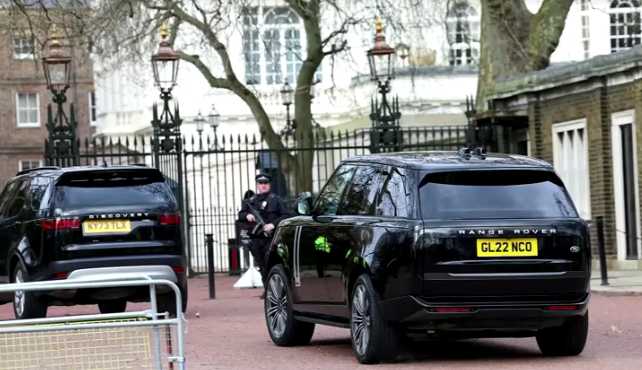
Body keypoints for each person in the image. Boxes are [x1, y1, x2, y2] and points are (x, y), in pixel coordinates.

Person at [238, 173, 291, 299]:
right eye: (261, 183)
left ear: (269, 185)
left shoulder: (276, 200)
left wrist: (273, 224)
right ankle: (267, 288)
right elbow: (240, 215)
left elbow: (286, 215)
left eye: (265, 183)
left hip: (271, 238)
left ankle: (274, 289)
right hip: (256, 239)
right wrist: (247, 216)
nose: (263, 186)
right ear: (257, 185)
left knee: (270, 263)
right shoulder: (251, 201)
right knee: (261, 264)